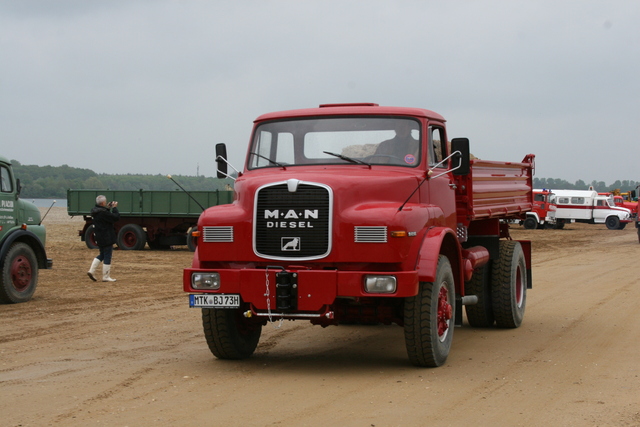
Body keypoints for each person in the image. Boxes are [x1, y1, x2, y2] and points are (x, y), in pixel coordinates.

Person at [87, 195, 120, 282]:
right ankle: (106, 276)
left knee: (102, 254)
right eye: (105, 202)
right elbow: (115, 217)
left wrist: (108, 208)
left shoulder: (95, 211)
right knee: (107, 255)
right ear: (102, 203)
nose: (106, 203)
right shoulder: (103, 213)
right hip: (106, 236)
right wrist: (115, 208)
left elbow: (105, 217)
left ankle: (91, 270)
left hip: (98, 236)